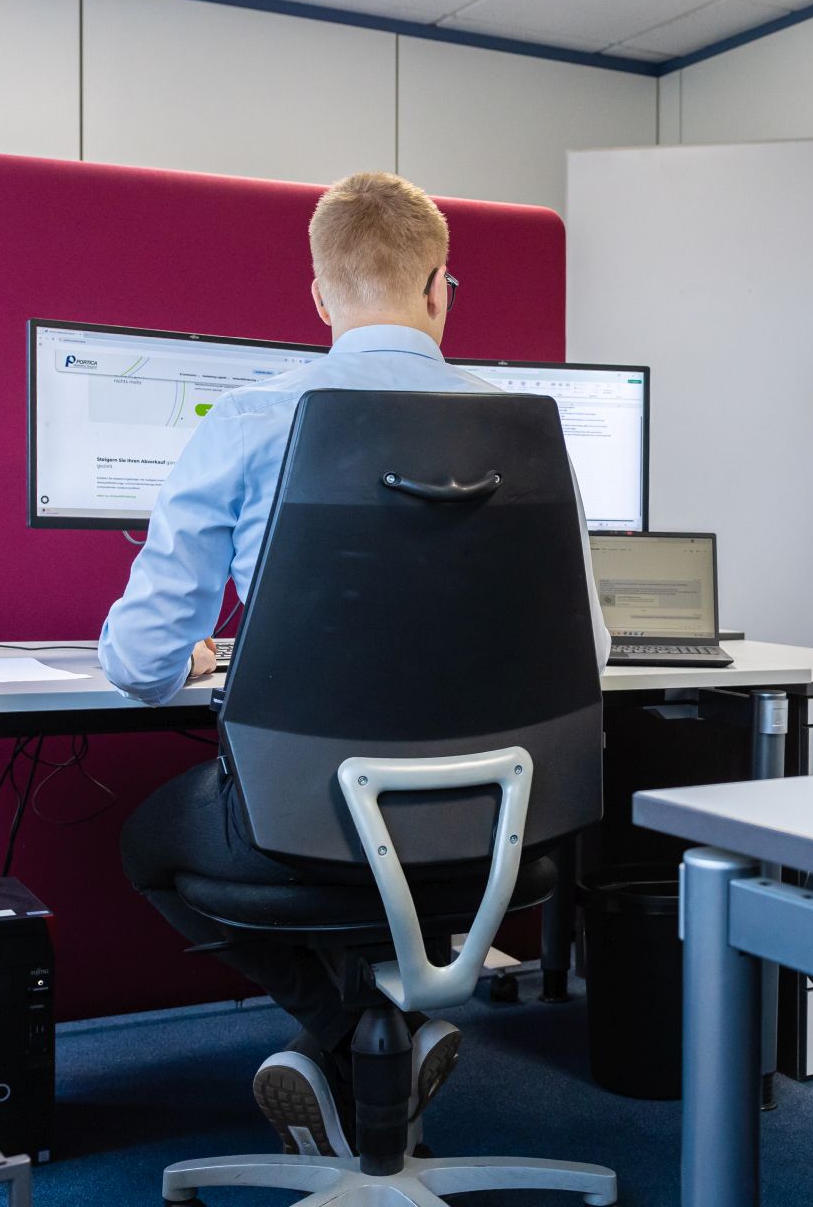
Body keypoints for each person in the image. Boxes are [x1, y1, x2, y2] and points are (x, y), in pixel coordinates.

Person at [99, 171, 609, 1158]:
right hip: (500, 828)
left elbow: (140, 663)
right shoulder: (529, 428)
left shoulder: (248, 420)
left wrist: (210, 658)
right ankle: (387, 1042)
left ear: (321, 298)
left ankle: (337, 1030)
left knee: (144, 842)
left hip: (296, 826)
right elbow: (587, 652)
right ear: (438, 290)